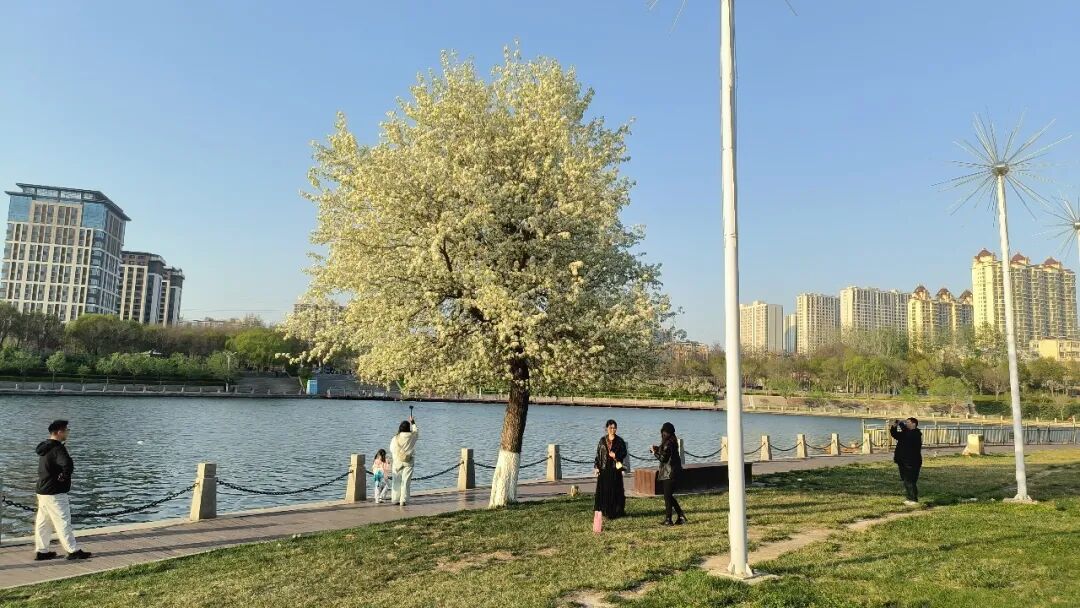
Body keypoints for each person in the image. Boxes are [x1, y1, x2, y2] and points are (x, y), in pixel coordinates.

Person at [34, 420, 91, 561]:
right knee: (63, 521)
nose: (68, 433)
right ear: (59, 432)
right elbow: (68, 464)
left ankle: (42, 551)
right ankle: (72, 550)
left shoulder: (45, 447)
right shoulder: (58, 448)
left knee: (43, 522)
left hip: (42, 489)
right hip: (55, 492)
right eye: (67, 430)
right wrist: (63, 477)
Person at [650, 422, 686, 526]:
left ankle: (669, 519)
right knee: (669, 496)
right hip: (674, 472)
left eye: (663, 432)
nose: (662, 434)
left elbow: (663, 458)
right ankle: (680, 516)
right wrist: (657, 448)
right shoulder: (672, 441)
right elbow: (666, 452)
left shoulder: (668, 443)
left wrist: (654, 453)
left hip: (669, 473)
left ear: (664, 432)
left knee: (667, 497)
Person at [593, 419, 627, 520]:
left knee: (615, 490)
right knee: (604, 490)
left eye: (614, 428)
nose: (613, 430)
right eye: (611, 428)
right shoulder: (602, 440)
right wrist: (596, 467)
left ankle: (616, 511)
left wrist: (616, 455)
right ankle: (604, 511)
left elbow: (624, 453)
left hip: (615, 469)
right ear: (606, 428)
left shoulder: (620, 441)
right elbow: (598, 455)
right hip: (604, 469)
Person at [890, 417, 922, 505]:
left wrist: (901, 424)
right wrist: (894, 427)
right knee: (905, 480)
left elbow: (908, 434)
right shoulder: (905, 433)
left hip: (912, 462)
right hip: (902, 461)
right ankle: (909, 498)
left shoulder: (916, 433)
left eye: (908, 422)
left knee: (910, 481)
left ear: (914, 424)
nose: (906, 424)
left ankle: (913, 499)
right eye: (906, 422)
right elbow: (895, 435)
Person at [390, 416, 418, 506]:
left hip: (397, 462)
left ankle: (395, 499)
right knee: (406, 482)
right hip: (408, 461)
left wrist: (396, 458)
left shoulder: (395, 438)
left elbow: (391, 449)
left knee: (396, 481)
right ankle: (403, 500)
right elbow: (416, 431)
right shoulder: (412, 436)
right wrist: (413, 422)